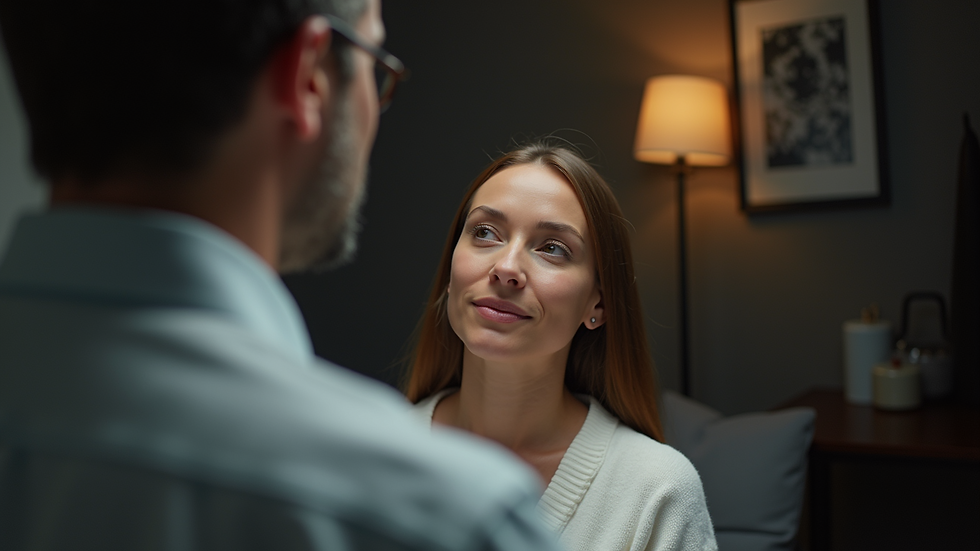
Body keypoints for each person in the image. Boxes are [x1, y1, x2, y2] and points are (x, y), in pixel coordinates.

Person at [0, 1, 562, 549]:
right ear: (312, 75)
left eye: (552, 248)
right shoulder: (446, 519)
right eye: (375, 68)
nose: (506, 268)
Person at [405, 142, 718, 551]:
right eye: (485, 233)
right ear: (451, 270)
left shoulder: (656, 490)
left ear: (598, 304)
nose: (506, 268)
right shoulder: (368, 457)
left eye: (552, 247)